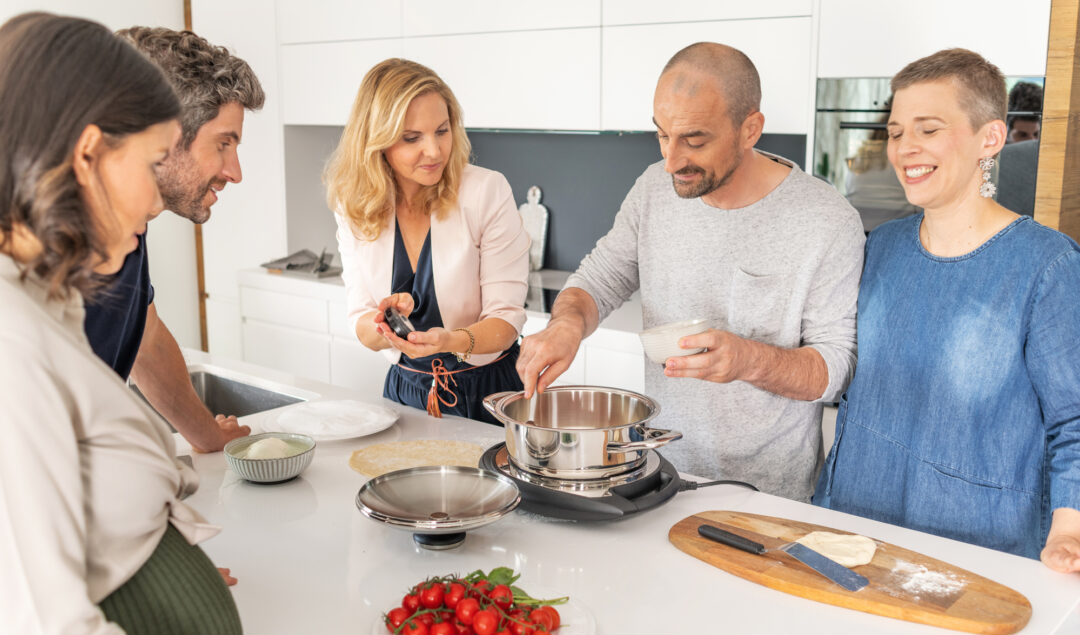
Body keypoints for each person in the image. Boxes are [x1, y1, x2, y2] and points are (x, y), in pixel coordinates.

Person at [0, 12, 243, 635]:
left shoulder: (47, 303)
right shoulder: (11, 341)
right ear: (87, 156)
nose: (157, 197)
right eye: (152, 161)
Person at [517, 42, 865, 501]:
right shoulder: (653, 189)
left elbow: (836, 369)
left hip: (769, 497)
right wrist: (566, 326)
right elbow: (598, 279)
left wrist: (747, 359)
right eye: (661, 134)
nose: (671, 159)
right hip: (660, 479)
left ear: (750, 129)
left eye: (695, 140)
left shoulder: (825, 219)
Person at [812, 49, 1080, 572]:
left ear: (991, 138)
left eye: (928, 129)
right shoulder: (880, 247)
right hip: (854, 529)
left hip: (977, 553)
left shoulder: (1048, 266)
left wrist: (1068, 530)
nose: (904, 148)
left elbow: (1074, 421)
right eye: (894, 131)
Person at [83, 26, 265, 453]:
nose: (234, 171)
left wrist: (206, 434)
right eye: (223, 143)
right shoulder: (55, 239)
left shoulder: (132, 226)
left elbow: (144, 337)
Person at [327, 58, 530, 424]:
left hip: (489, 393)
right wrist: (384, 327)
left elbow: (505, 321)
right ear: (377, 142)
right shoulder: (354, 206)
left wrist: (449, 341)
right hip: (404, 393)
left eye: (442, 130)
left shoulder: (486, 191)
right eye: (412, 138)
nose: (434, 151)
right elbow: (360, 322)